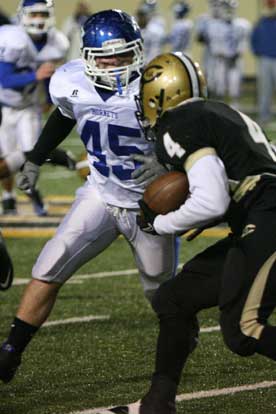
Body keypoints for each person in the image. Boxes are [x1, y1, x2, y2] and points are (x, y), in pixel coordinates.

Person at [0, 9, 178, 385]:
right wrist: (34, 156)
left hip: (150, 204)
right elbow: (65, 113)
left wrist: (170, 168)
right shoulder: (70, 80)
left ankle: (169, 372)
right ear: (87, 56)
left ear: (139, 51)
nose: (114, 64)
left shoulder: (159, 84)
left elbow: (193, 138)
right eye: (105, 56)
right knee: (49, 265)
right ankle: (11, 350)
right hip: (98, 192)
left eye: (123, 55)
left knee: (164, 297)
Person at [107, 51, 276, 414]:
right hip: (257, 218)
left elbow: (212, 200)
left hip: (268, 217)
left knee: (244, 330)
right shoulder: (219, 112)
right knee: (173, 299)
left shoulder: (180, 121)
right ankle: (157, 404)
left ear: (160, 94)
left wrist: (160, 223)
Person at [0, 0, 75, 216]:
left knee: (30, 153)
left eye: (42, 14)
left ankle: (33, 194)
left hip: (29, 107)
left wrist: (49, 100)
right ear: (23, 15)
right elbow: (4, 79)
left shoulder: (56, 42)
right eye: (33, 15)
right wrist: (36, 75)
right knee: (8, 156)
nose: (38, 19)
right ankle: (8, 198)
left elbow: (48, 74)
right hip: (5, 106)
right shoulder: (12, 38)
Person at [196, 0, 251, 108]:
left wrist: (238, 52)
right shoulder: (212, 24)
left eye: (230, 8)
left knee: (234, 91)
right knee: (217, 89)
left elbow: (244, 43)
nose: (229, 11)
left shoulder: (242, 25)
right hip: (219, 60)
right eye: (226, 8)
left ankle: (235, 115)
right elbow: (205, 41)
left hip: (235, 61)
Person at [251, 0, 276, 126]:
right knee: (265, 90)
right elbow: (254, 39)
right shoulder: (261, 22)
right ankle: (264, 117)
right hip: (265, 59)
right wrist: (257, 51)